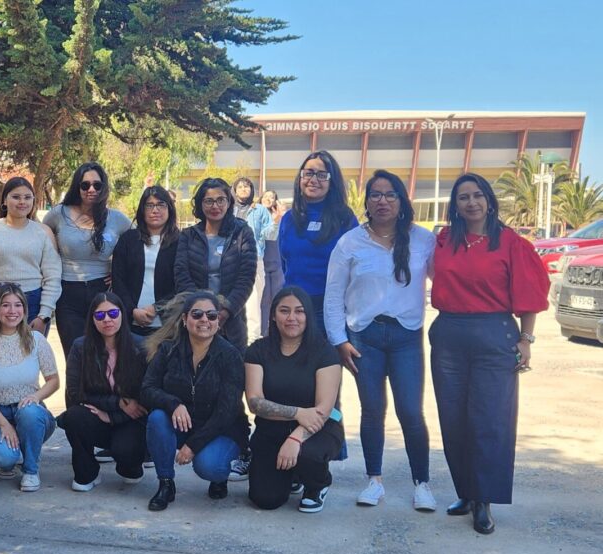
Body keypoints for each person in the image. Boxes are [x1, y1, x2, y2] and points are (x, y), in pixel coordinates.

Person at [429, 173, 549, 534]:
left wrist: (526, 339)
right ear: (455, 204)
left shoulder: (511, 243)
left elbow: (530, 294)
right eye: (463, 197)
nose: (471, 203)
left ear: (489, 200)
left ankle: (484, 500)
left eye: (477, 195)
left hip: (494, 336)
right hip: (449, 334)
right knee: (453, 418)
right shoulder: (445, 240)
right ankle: (465, 492)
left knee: (489, 421)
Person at [324, 170, 437, 511]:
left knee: (410, 412)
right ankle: (374, 480)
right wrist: (339, 340)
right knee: (373, 411)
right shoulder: (350, 243)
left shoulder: (423, 240)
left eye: (390, 194)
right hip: (363, 337)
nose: (383, 200)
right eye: (375, 194)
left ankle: (422, 483)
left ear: (402, 201)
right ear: (367, 202)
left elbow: (451, 280)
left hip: (406, 336)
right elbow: (333, 297)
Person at [141, 291, 249, 511]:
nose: (204, 321)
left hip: (221, 430)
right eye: (197, 314)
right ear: (184, 319)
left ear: (218, 320)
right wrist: (174, 404)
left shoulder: (230, 355)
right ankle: (166, 483)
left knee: (209, 466)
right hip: (183, 422)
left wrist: (192, 446)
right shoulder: (168, 349)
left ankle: (218, 479)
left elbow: (227, 412)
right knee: (157, 418)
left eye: (211, 315)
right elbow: (147, 389)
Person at [245, 287, 345, 513]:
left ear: (308, 316)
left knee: (307, 455)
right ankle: (292, 474)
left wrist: (295, 440)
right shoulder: (257, 351)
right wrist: (297, 413)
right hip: (271, 430)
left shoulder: (325, 353)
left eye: (299, 311)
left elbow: (323, 409)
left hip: (317, 430)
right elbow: (254, 402)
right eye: (284, 311)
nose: (292, 318)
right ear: (273, 315)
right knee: (265, 499)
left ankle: (317, 484)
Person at [0, 283, 59, 492]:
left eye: (18, 305)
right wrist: (3, 424)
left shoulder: (36, 340)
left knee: (28, 412)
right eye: (5, 305)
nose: (12, 311)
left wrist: (36, 396)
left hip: (31, 413)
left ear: (25, 310)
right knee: (4, 458)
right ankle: (5, 451)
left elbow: (53, 380)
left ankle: (30, 470)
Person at [56, 292, 148, 491]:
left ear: (122, 315)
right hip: (100, 414)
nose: (107, 319)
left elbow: (145, 396)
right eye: (100, 316)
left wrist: (113, 416)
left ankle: (130, 466)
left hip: (130, 419)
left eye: (113, 313)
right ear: (93, 320)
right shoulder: (80, 347)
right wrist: (116, 404)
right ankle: (86, 473)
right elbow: (74, 391)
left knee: (126, 455)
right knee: (74, 416)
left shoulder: (141, 346)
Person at [43, 162, 132, 355]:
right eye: (85, 185)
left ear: (104, 187)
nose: (91, 189)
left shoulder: (116, 219)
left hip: (102, 292)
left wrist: (117, 271)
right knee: (75, 354)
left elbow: (135, 247)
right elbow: (41, 235)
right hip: (67, 293)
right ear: (77, 186)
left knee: (104, 354)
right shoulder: (59, 214)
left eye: (97, 185)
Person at [277, 150, 359, 336]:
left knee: (326, 364)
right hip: (294, 307)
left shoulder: (345, 218)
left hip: (331, 309)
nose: (313, 180)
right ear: (300, 177)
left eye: (322, 175)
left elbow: (356, 266)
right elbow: (285, 263)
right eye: (308, 173)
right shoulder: (288, 219)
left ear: (332, 182)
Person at [0, 177, 61, 335]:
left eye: (27, 197)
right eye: (16, 197)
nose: (22, 202)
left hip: (33, 305)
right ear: (4, 201)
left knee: (31, 357)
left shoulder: (41, 233)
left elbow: (53, 275)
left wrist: (44, 314)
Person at [174, 177, 258, 352]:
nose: (215, 206)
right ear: (200, 204)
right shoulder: (189, 235)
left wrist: (225, 311)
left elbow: (246, 278)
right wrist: (202, 311)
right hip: (197, 319)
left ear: (229, 202)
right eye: (209, 201)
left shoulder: (242, 233)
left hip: (232, 320)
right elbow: (181, 274)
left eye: (221, 200)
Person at [111, 185, 180, 340]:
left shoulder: (180, 242)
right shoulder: (128, 240)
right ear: (142, 210)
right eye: (149, 205)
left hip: (167, 325)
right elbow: (118, 280)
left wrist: (157, 308)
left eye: (161, 205)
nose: (155, 210)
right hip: (131, 324)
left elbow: (181, 284)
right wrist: (132, 310)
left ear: (169, 209)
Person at [233, 177, 273, 343]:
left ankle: (253, 340)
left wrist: (277, 223)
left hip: (254, 259)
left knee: (253, 300)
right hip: (231, 259)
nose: (244, 189)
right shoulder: (229, 208)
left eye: (247, 186)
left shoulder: (260, 210)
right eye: (240, 187)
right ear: (234, 190)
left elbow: (270, 232)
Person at [258, 189, 286, 336]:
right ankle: (263, 332)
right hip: (261, 262)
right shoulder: (255, 214)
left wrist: (278, 219)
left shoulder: (281, 217)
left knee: (277, 298)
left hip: (276, 261)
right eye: (266, 196)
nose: (269, 199)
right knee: (263, 300)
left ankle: (277, 331)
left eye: (272, 197)